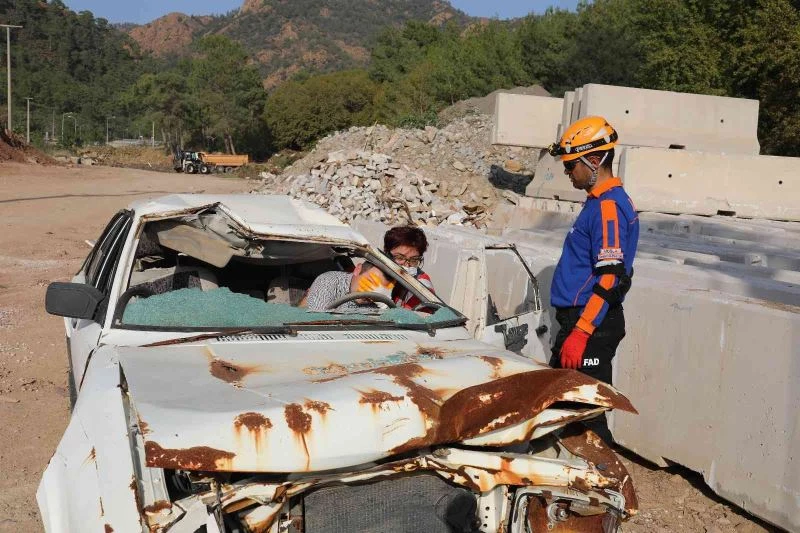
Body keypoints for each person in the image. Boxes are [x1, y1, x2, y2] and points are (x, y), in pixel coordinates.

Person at [547, 116, 640, 444]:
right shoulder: (599, 204)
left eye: (571, 165)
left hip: (591, 324)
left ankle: (608, 488)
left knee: (586, 421)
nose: (567, 172)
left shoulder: (608, 208)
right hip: (583, 322)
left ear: (595, 159)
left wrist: (581, 333)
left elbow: (609, 278)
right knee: (563, 408)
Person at [304, 261, 395, 312]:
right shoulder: (328, 281)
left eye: (379, 290)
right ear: (357, 270)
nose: (371, 293)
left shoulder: (380, 302)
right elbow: (317, 321)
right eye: (369, 282)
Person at [383, 226, 435, 309]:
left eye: (414, 260)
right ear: (387, 255)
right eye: (400, 258)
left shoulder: (422, 288)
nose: (407, 265)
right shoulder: (376, 271)